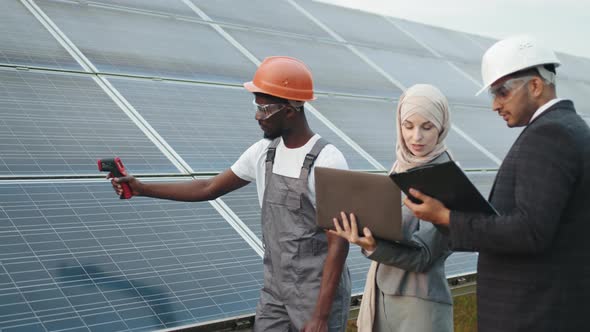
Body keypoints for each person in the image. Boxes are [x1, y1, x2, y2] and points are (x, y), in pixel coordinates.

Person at [110, 56, 351, 332]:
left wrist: (320, 316)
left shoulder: (327, 160)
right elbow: (208, 188)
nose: (257, 116)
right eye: (256, 106)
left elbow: (339, 242)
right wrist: (141, 188)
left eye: (265, 108)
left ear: (290, 110)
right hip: (276, 290)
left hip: (317, 293)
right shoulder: (263, 153)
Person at [403, 34, 590, 331]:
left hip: (531, 315)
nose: (495, 105)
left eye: (502, 93)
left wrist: (447, 217)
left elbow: (530, 231)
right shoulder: (572, 128)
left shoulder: (549, 135)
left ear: (536, 86)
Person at [330, 84, 454, 332]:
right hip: (383, 295)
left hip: (418, 308)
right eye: (408, 126)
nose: (415, 137)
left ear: (441, 127)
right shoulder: (402, 165)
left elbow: (423, 257)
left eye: (426, 127)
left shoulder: (446, 177)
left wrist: (373, 247)